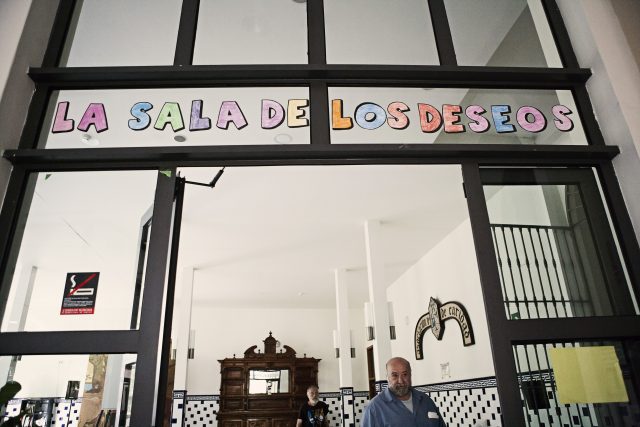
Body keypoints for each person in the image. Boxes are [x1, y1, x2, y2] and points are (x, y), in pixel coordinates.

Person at [362, 357, 446, 427]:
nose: (400, 381)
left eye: (405, 374)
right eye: (395, 375)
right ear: (387, 377)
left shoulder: (426, 401)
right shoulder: (373, 409)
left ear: (410, 375)